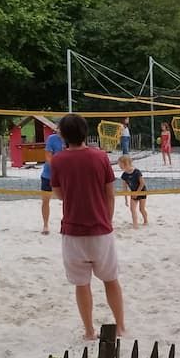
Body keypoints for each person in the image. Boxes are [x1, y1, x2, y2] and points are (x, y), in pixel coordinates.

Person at [50, 113, 126, 342]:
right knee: (111, 280)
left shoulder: (59, 161)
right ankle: (120, 326)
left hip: (73, 231)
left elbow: (59, 195)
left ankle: (89, 331)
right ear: (85, 132)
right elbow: (109, 195)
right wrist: (107, 221)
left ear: (63, 135)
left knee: (82, 284)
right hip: (101, 230)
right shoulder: (100, 157)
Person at [40, 122, 65, 234]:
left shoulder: (70, 139)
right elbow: (48, 156)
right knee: (45, 200)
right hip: (49, 174)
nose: (59, 131)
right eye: (58, 129)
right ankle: (45, 225)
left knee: (67, 201)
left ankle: (65, 223)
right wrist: (57, 168)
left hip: (65, 175)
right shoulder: (52, 138)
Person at [118, 154, 149, 227]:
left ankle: (146, 220)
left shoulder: (137, 172)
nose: (119, 166)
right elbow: (124, 188)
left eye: (120, 165)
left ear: (126, 164)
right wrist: (126, 199)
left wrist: (137, 193)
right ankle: (135, 224)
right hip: (133, 193)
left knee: (141, 209)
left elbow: (142, 183)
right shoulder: (124, 175)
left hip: (141, 191)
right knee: (132, 209)